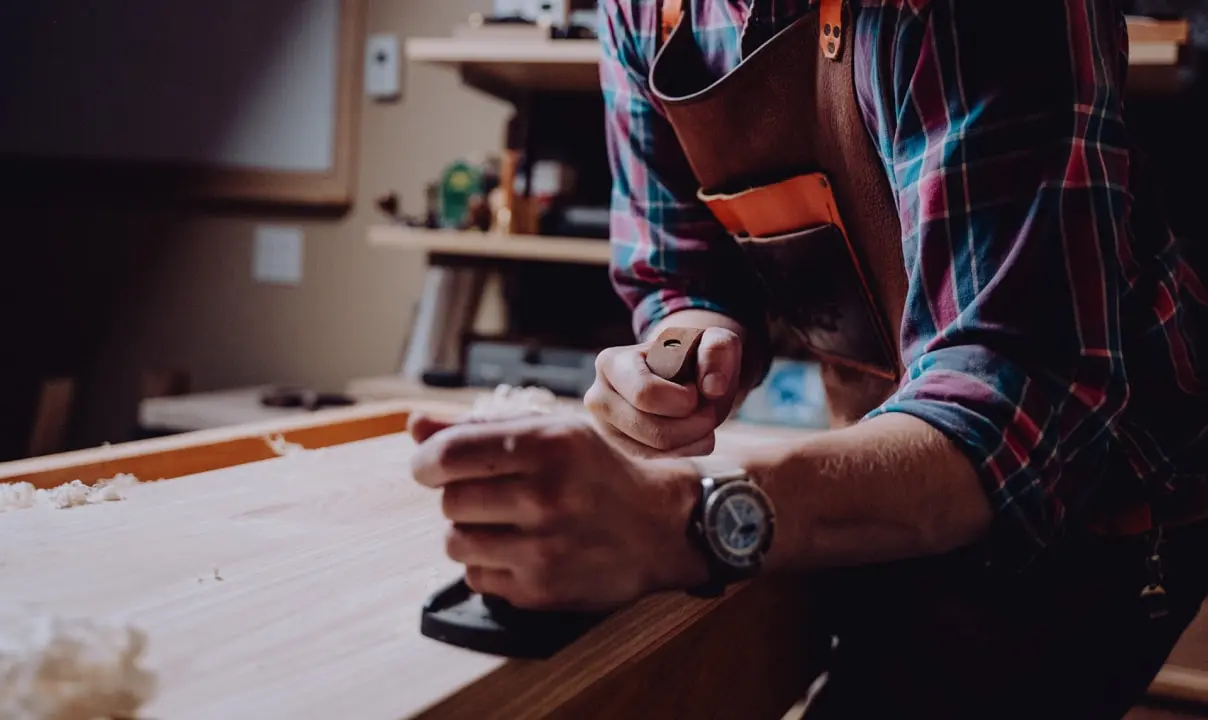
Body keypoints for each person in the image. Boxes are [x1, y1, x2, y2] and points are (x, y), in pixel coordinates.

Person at [409, 0, 1208, 717]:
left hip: (1101, 506)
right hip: (885, 463)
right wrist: (682, 347)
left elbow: (1014, 404)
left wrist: (682, 518)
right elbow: (681, 272)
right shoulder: (646, 14)